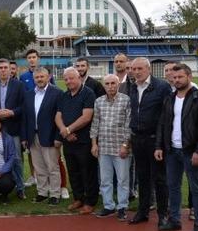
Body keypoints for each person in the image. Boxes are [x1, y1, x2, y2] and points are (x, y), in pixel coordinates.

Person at [155, 64, 198, 231]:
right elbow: (163, 124)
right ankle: (175, 220)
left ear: (189, 77)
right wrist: (159, 146)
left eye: (180, 77)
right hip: (171, 151)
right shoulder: (169, 98)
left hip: (190, 151)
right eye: (174, 78)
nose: (176, 80)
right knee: (173, 187)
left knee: (196, 188)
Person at [127, 57, 170, 226]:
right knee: (142, 177)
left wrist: (160, 143)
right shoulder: (132, 87)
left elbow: (166, 117)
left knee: (160, 178)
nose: (136, 72)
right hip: (138, 139)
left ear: (148, 69)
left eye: (140, 69)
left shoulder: (162, 87)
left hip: (155, 140)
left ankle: (162, 215)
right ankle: (142, 212)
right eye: (134, 69)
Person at [89, 74, 132, 220]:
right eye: (107, 84)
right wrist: (94, 144)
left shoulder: (126, 100)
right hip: (104, 147)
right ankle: (108, 206)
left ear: (118, 84)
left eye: (113, 83)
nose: (110, 86)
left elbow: (129, 125)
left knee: (122, 179)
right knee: (105, 179)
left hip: (121, 148)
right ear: (104, 85)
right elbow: (95, 124)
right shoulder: (99, 101)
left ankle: (122, 206)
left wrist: (126, 145)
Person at [56, 67, 97, 215]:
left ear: (79, 77)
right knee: (73, 171)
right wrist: (65, 133)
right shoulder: (64, 95)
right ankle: (78, 198)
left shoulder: (88, 93)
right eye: (66, 79)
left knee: (88, 172)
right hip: (69, 141)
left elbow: (87, 117)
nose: (68, 81)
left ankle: (90, 201)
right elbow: (58, 116)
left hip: (84, 141)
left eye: (71, 78)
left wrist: (69, 130)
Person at [0, 58, 26, 198]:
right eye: (0, 68)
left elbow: (23, 106)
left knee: (16, 159)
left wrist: (12, 112)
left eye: (5, 68)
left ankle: (20, 188)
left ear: (10, 69)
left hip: (13, 127)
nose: (3, 70)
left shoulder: (19, 86)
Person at [21, 68, 62, 205]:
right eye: (37, 77)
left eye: (42, 76)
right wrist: (25, 137)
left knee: (52, 167)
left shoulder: (57, 93)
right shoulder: (28, 95)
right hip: (33, 136)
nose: (39, 79)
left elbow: (61, 118)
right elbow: (25, 118)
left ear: (49, 77)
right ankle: (42, 192)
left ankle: (55, 193)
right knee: (39, 167)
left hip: (50, 136)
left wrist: (58, 137)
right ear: (34, 79)